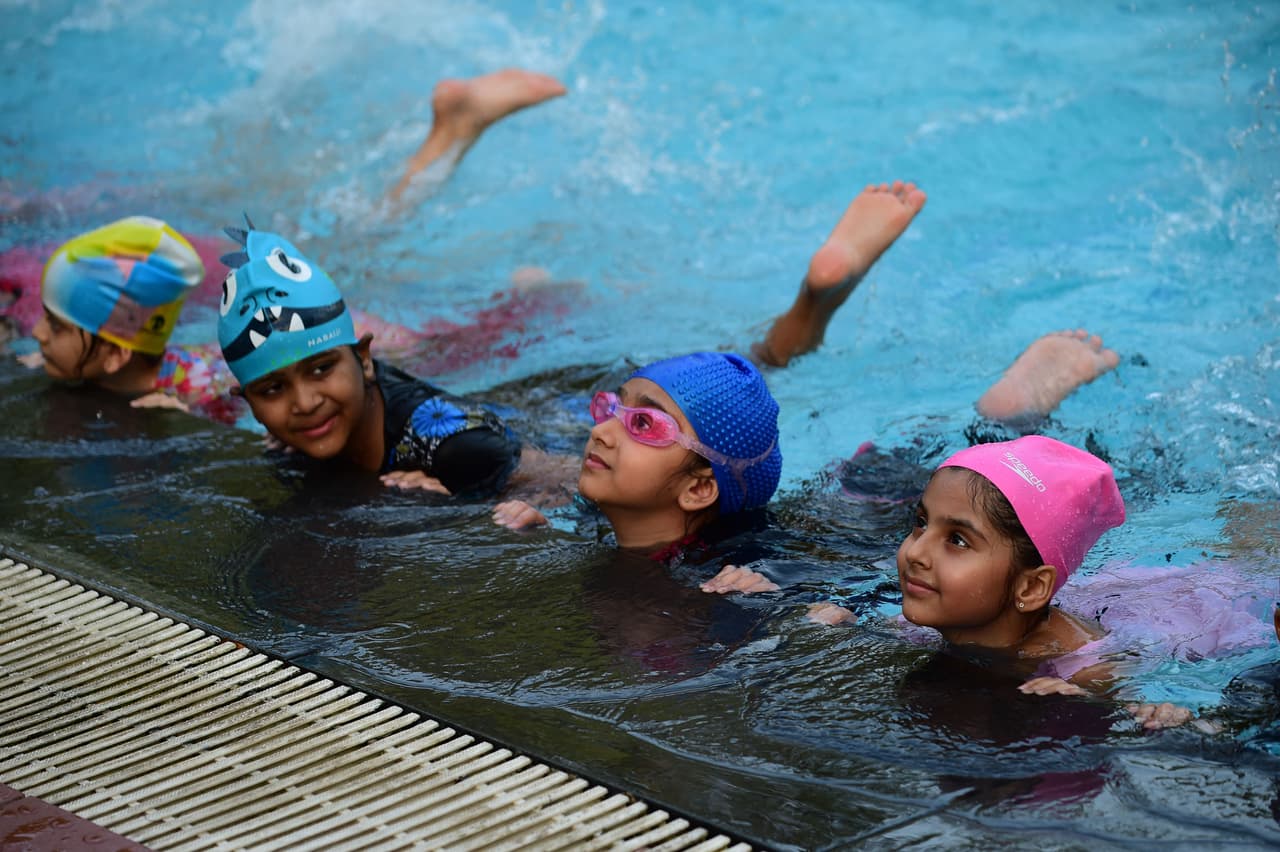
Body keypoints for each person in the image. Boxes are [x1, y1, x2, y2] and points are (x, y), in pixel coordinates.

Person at [6, 69, 570, 414]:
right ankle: (451, 135)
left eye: (55, 325)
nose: (35, 331)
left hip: (348, 334)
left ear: (114, 355)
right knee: (370, 237)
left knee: (451, 336)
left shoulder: (186, 391)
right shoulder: (120, 360)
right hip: (292, 322)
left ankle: (527, 287)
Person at [217, 224, 523, 496]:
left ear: (363, 359)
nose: (306, 403)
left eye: (321, 369)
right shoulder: (292, 433)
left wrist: (456, 506)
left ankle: (522, 290)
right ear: (249, 403)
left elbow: (548, 482)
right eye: (272, 389)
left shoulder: (459, 447)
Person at [494, 351, 783, 552]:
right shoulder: (586, 515)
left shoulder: (728, 576)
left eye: (643, 423)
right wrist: (545, 528)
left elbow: (813, 601)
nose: (599, 432)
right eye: (610, 409)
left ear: (699, 488)